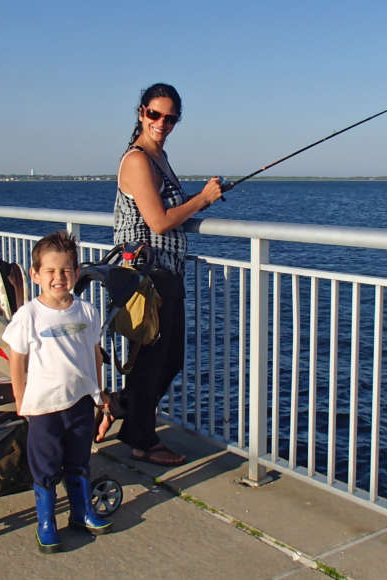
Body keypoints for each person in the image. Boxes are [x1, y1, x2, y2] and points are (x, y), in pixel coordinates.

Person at [98, 82, 223, 466]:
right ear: (141, 113)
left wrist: (193, 202)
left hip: (165, 274)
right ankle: (141, 438)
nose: (162, 123)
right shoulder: (138, 160)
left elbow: (166, 210)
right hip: (144, 276)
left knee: (164, 361)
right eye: (155, 114)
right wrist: (202, 200)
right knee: (157, 360)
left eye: (170, 118)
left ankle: (119, 410)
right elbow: (157, 220)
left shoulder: (160, 157)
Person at [2, 230, 112, 553]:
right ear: (35, 274)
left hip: (79, 402)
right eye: (50, 271)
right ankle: (46, 522)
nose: (58, 278)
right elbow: (17, 359)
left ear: (77, 274)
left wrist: (100, 392)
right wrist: (20, 399)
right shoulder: (29, 316)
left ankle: (81, 511)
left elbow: (94, 354)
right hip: (44, 408)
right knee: (47, 466)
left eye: (65, 270)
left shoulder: (87, 312)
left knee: (79, 460)